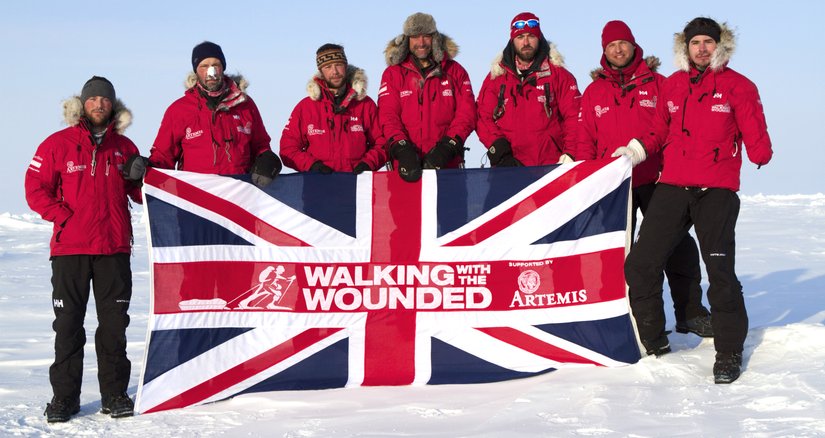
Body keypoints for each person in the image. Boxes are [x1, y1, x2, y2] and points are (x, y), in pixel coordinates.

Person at [621, 17, 773, 383]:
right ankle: (654, 343)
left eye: (708, 42)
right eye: (695, 43)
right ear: (685, 48)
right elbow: (659, 128)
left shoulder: (739, 86)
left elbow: (758, 139)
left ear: (719, 46)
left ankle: (729, 352)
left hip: (716, 190)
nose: (701, 48)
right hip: (673, 185)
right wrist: (637, 149)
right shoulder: (672, 86)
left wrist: (759, 149)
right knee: (641, 264)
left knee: (720, 272)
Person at [576, 20, 712, 340]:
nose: (618, 49)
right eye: (611, 45)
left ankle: (690, 312)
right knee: (614, 254)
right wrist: (585, 174)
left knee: (677, 247)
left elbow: (671, 125)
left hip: (658, 180)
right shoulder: (594, 91)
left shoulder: (659, 83)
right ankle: (625, 318)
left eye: (623, 43)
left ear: (634, 46)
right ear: (604, 51)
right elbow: (585, 139)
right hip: (613, 186)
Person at [25, 76, 141, 422]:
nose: (99, 104)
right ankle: (64, 398)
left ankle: (115, 394)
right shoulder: (57, 144)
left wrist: (140, 176)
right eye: (93, 99)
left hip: (114, 249)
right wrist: (64, 217)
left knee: (114, 326)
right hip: (70, 251)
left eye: (105, 100)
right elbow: (35, 188)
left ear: (113, 105)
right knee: (68, 326)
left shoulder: (125, 148)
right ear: (83, 103)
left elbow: (139, 194)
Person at [124, 41, 281, 186]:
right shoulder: (179, 110)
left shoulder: (245, 105)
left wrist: (268, 159)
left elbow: (260, 146)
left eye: (215, 65)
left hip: (239, 201)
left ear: (223, 67)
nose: (210, 71)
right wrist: (146, 168)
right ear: (196, 71)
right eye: (204, 66)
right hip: (197, 205)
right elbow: (163, 157)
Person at [378, 12, 476, 182]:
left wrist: (448, 146)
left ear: (435, 38)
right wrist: (402, 148)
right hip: (405, 167)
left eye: (426, 36)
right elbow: (387, 115)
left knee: (450, 209)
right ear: (407, 40)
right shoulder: (392, 74)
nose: (421, 42)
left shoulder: (455, 71)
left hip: (448, 166)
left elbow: (467, 114)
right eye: (415, 36)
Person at [477, 12, 581, 167]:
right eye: (520, 37)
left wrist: (569, 153)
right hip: (507, 167)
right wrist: (498, 147)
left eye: (531, 36)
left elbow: (575, 116)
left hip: (549, 167)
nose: (526, 42)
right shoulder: (496, 77)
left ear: (539, 38)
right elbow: (481, 116)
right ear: (512, 40)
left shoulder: (559, 75)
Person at [280, 44, 387, 173]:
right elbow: (288, 149)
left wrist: (368, 164)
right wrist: (312, 166)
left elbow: (383, 142)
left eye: (338, 65)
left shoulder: (365, 104)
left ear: (345, 67)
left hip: (356, 185)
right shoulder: (305, 107)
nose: (334, 71)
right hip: (318, 185)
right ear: (321, 71)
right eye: (328, 67)